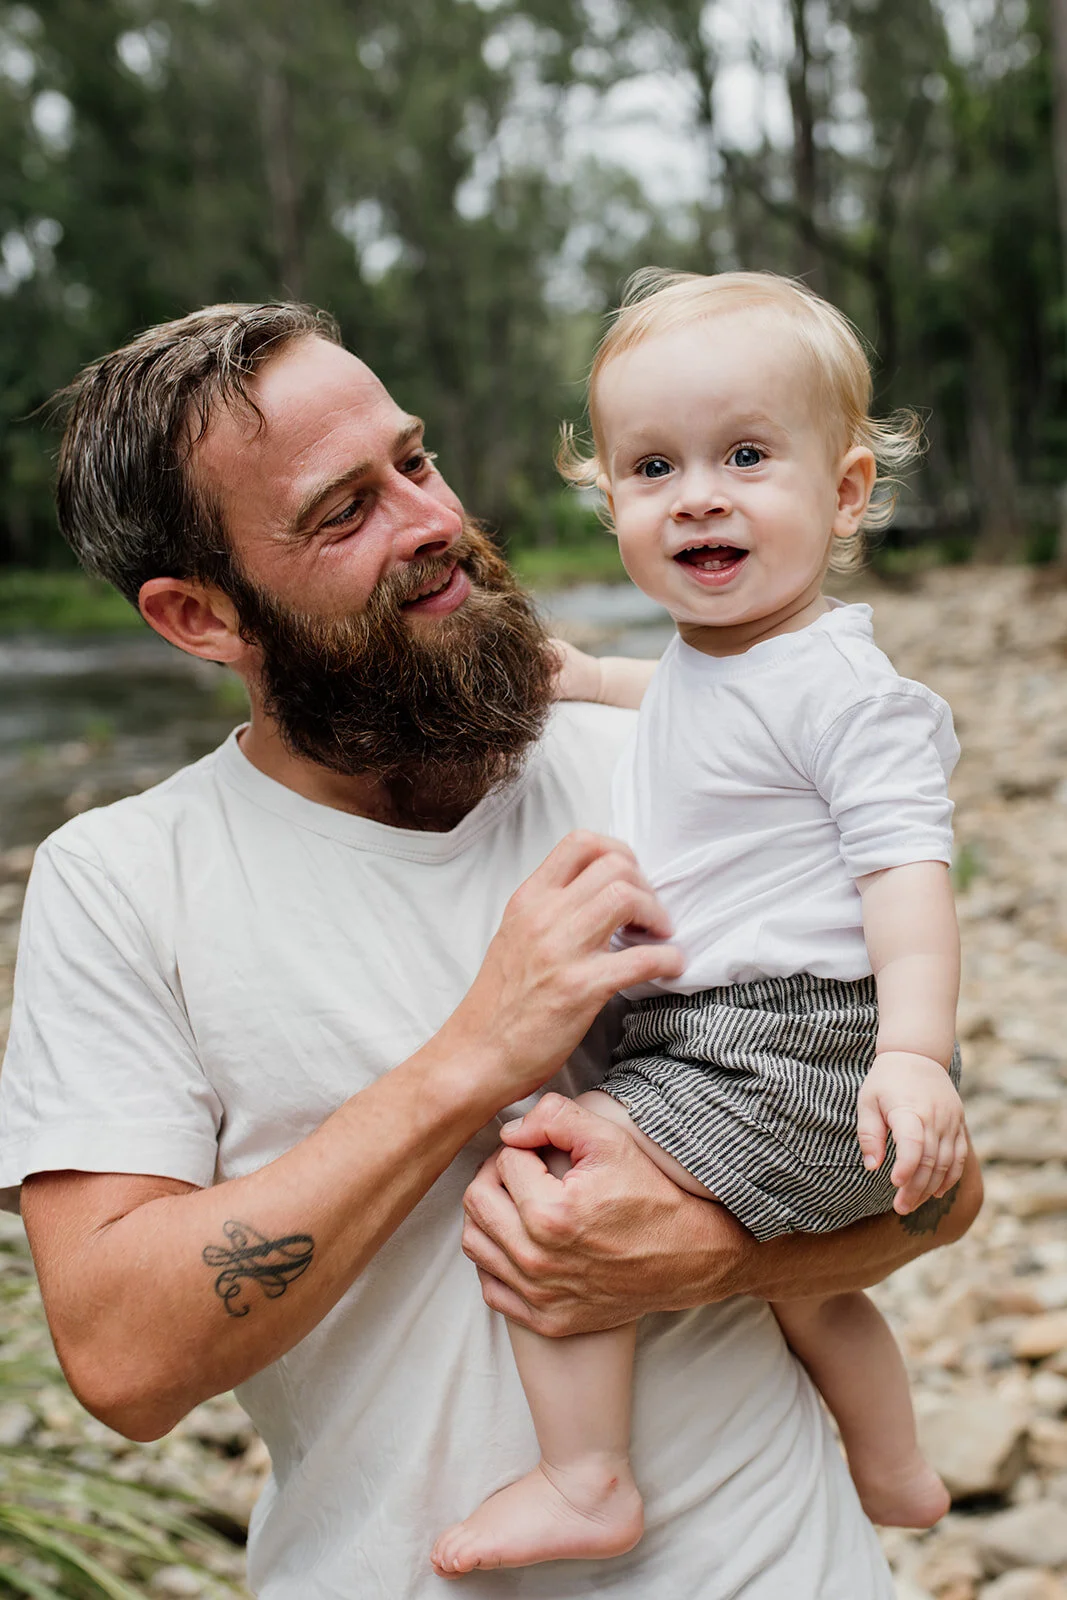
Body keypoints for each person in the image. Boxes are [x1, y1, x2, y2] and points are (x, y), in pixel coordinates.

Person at [0, 303, 981, 1600]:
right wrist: (469, 1059)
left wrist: (715, 1254)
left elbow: (938, 1187)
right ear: (199, 617)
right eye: (342, 511)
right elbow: (122, 1362)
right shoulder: (124, 882)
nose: (427, 521)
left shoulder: (677, 764)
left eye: (413, 461)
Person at [434, 269, 967, 1578]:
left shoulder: (844, 691)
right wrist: (573, 678)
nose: (697, 495)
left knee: (555, 1181)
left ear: (843, 494)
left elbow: (908, 873)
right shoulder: (713, 662)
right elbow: (655, 691)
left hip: (791, 1045)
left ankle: (585, 1474)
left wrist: (914, 1051)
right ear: (606, 499)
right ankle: (894, 1470)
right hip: (767, 1044)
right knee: (807, 1284)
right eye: (650, 466)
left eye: (743, 455)